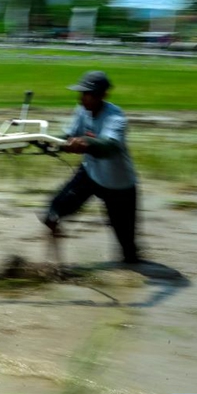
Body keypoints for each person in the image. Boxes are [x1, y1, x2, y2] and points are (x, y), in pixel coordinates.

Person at [42, 71, 141, 264]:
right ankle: (55, 265)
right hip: (89, 175)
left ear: (102, 95)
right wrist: (45, 142)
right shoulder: (82, 110)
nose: (80, 97)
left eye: (86, 93)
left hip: (119, 186)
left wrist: (86, 143)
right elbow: (67, 137)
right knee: (52, 213)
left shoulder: (116, 118)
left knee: (128, 250)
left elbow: (108, 147)